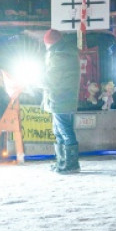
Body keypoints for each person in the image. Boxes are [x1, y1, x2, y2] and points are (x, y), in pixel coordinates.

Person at [40, 29, 82, 174]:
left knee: (65, 131)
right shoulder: (64, 53)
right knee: (59, 131)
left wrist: (34, 81)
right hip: (62, 98)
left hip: (61, 99)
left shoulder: (59, 56)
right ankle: (62, 162)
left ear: (50, 43)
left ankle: (71, 164)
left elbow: (51, 79)